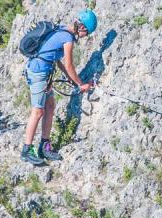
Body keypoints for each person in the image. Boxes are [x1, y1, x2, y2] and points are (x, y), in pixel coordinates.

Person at [20, 9, 97, 165]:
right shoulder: (67, 38)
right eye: (87, 33)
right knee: (38, 111)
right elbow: (69, 65)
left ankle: (45, 146)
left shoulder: (62, 29)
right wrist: (81, 84)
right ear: (82, 27)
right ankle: (26, 150)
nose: (85, 36)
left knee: (50, 106)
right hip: (39, 74)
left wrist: (72, 79)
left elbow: (57, 61)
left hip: (43, 72)